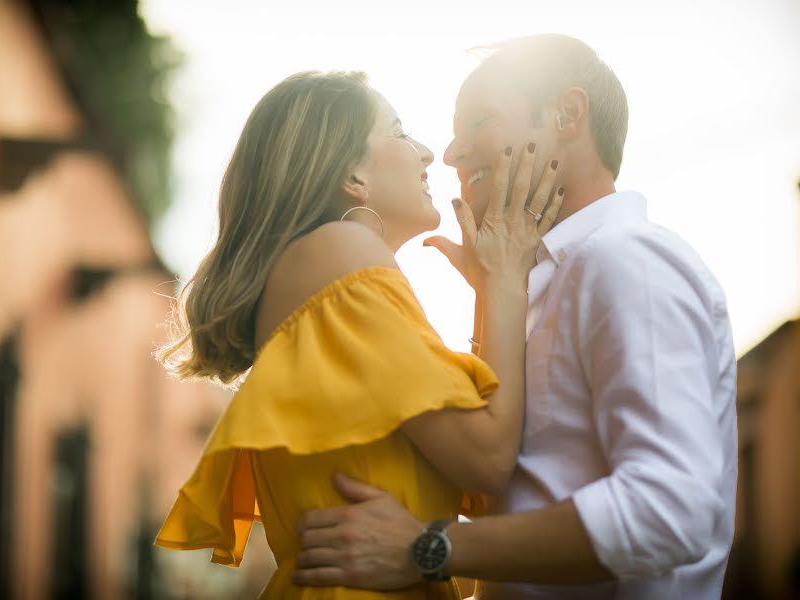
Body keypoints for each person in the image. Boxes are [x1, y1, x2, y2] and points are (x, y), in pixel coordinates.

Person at [294, 34, 738, 600]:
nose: (451, 152)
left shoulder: (627, 260)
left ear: (567, 115)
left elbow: (671, 508)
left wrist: (429, 546)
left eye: (479, 121)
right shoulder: (539, 287)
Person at [153, 69, 563, 599]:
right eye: (398, 132)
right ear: (353, 177)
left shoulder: (324, 272)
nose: (426, 153)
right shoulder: (343, 250)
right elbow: (488, 459)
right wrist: (505, 283)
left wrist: (489, 294)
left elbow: (475, 489)